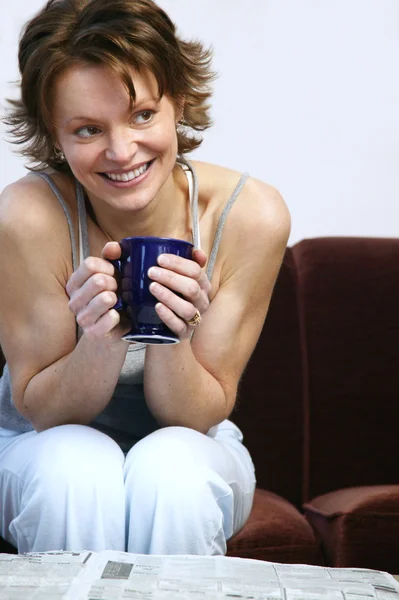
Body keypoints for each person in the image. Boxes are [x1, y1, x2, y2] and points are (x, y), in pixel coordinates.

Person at [0, 0, 290, 555]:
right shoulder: (29, 214)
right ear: (54, 137)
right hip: (39, 444)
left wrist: (172, 336)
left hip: (194, 442)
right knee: (75, 468)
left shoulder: (250, 214)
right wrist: (100, 340)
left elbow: (198, 416)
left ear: (176, 103)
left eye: (141, 116)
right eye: (87, 129)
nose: (121, 151)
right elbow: (41, 412)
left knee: (171, 471)